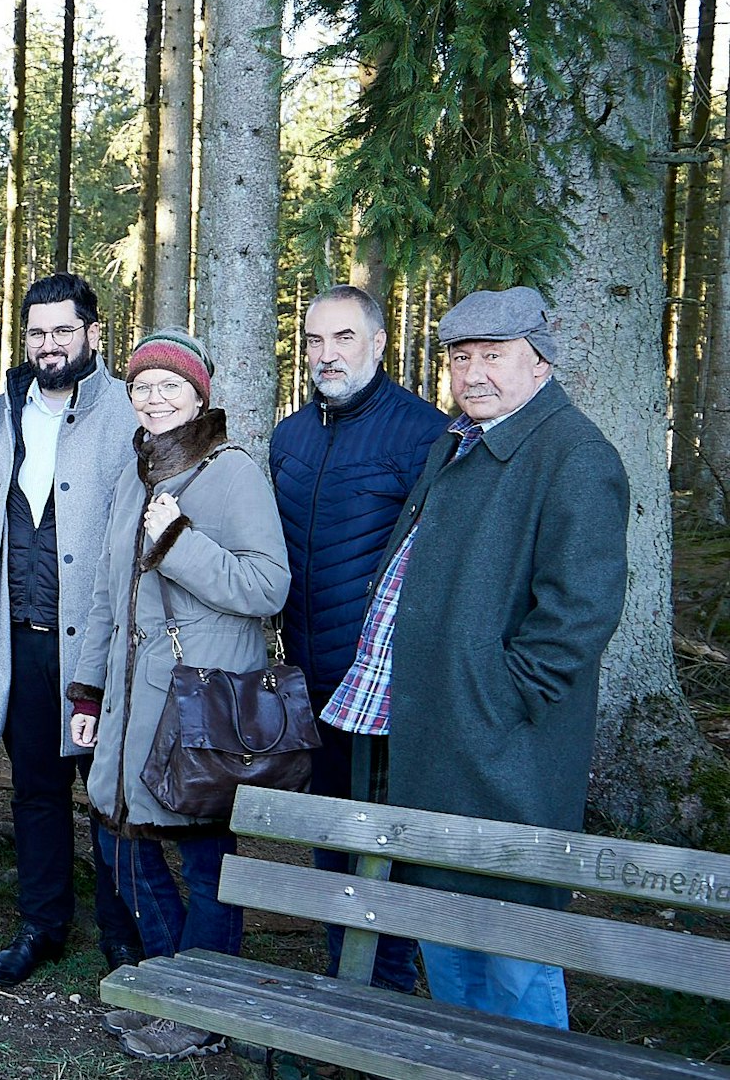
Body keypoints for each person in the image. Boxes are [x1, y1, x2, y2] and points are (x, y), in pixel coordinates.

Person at [322, 286, 626, 1030]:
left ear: (540, 363)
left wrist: (492, 703)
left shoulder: (575, 455)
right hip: (434, 745)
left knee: (515, 950)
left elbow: (577, 616)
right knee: (448, 941)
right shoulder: (457, 438)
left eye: (495, 355)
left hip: (502, 755)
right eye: (462, 358)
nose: (475, 373)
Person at [68, 331, 288, 1061]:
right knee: (119, 839)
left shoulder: (232, 473)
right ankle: (170, 990)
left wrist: (180, 543)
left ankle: (202, 1005)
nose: (154, 398)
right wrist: (88, 689)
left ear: (200, 395)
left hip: (200, 704)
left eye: (171, 386)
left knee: (204, 858)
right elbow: (106, 592)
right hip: (132, 703)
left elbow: (267, 585)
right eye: (143, 386)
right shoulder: (136, 471)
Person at [268, 285, 444, 992]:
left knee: (383, 844)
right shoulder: (291, 435)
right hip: (307, 679)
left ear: (377, 342)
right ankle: (344, 980)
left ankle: (389, 991)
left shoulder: (422, 434)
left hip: (382, 690)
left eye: (343, 338)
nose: (325, 354)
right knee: (329, 838)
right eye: (314, 340)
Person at [0, 272, 144, 989]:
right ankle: (41, 923)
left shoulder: (129, 415)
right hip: (18, 637)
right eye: (38, 332)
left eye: (64, 331)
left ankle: (123, 932)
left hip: (100, 643)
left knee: (107, 791)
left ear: (93, 334)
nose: (50, 345)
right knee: (35, 790)